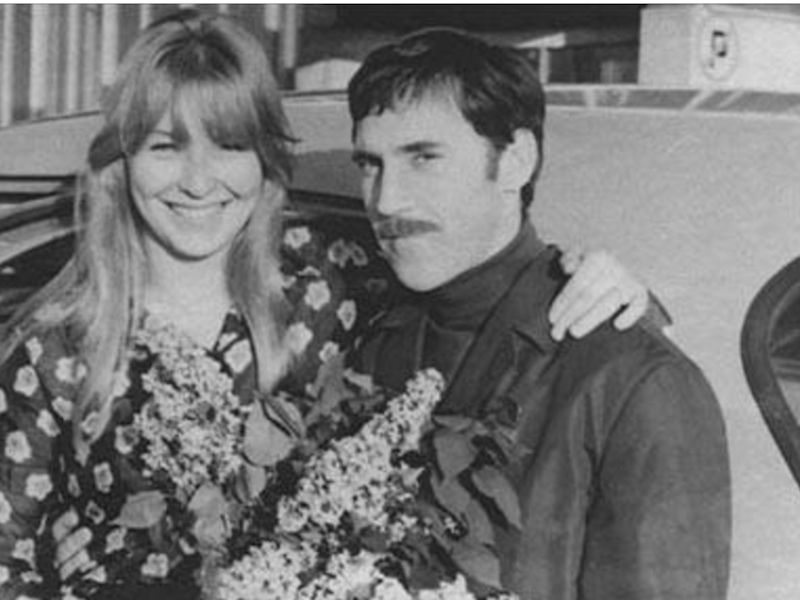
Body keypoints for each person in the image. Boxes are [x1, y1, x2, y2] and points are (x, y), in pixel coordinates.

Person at [0, 11, 654, 600]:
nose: (198, 181)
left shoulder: (327, 277)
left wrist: (607, 287)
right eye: (165, 146)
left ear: (263, 160)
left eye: (229, 145)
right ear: (122, 162)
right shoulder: (53, 348)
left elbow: (471, 277)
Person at [347, 28, 731, 600]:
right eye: (369, 164)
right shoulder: (370, 341)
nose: (385, 200)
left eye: (423, 158)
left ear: (515, 162)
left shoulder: (631, 380)